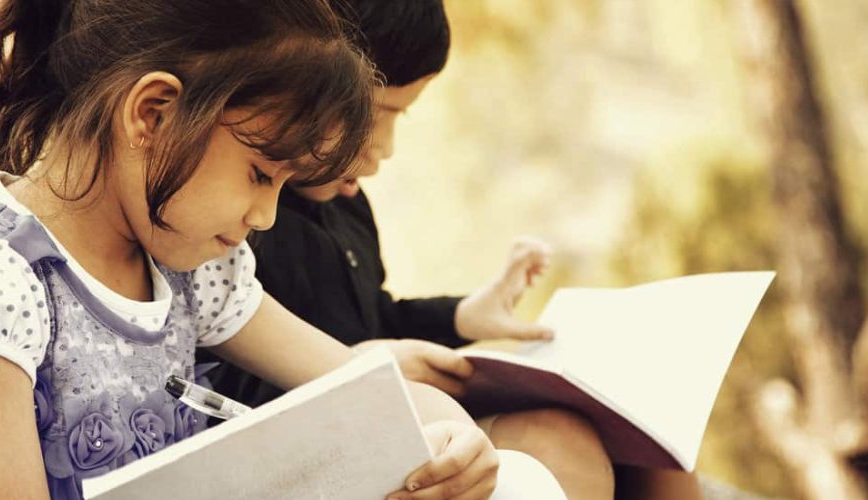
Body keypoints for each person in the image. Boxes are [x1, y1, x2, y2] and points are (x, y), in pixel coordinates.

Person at [0, 1, 511, 498]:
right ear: (153, 114)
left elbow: (358, 383)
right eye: (260, 174)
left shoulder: (194, 274)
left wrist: (456, 438)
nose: (267, 217)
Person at [206, 1, 704, 499]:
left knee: (651, 437)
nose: (385, 147)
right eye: (376, 113)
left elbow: (374, 315)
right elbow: (224, 385)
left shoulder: (345, 209)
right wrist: (364, 363)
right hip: (313, 435)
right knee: (555, 443)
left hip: (382, 398)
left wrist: (461, 318)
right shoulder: (235, 226)